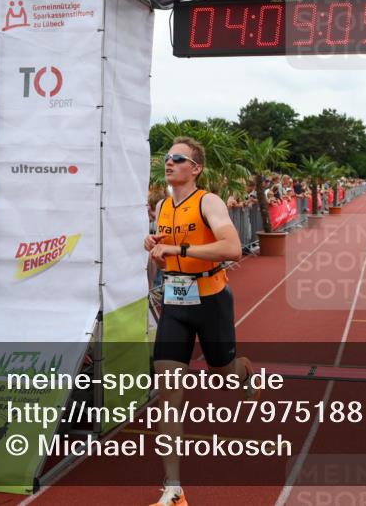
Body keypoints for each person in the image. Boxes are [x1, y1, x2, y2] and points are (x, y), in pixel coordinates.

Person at [143, 137, 258, 506]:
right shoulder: (163, 205)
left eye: (178, 158)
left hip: (211, 301)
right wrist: (156, 249)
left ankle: (242, 371)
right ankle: (173, 488)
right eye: (167, 157)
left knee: (224, 377)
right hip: (175, 303)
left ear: (196, 168)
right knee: (168, 392)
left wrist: (178, 248)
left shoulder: (208, 202)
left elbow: (232, 248)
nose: (169, 162)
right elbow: (165, 253)